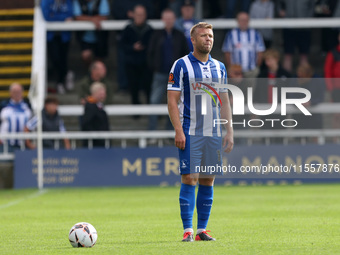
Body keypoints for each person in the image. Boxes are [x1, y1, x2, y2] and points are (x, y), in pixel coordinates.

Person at [167, 22, 234, 242]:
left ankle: (201, 231)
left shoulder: (220, 67)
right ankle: (187, 230)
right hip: (190, 130)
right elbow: (172, 101)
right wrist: (178, 130)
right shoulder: (181, 65)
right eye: (204, 35)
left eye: (211, 35)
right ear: (193, 40)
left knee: (208, 179)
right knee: (190, 177)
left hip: (213, 133)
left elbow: (224, 100)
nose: (208, 39)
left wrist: (229, 130)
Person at [148, 8, 189, 130]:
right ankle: (152, 131)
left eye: (171, 18)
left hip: (175, 76)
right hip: (159, 73)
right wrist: (154, 67)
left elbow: (185, 54)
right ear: (163, 20)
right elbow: (150, 53)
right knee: (154, 101)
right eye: (166, 18)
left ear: (175, 19)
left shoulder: (180, 35)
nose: (169, 21)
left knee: (174, 104)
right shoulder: (156, 35)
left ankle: (171, 132)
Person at [121, 5, 153, 105]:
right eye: (138, 14)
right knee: (133, 88)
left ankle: (150, 108)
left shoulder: (150, 29)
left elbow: (153, 46)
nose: (140, 17)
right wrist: (132, 47)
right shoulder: (128, 29)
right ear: (133, 15)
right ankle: (135, 110)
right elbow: (122, 45)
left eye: (142, 15)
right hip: (131, 63)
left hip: (146, 63)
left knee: (148, 87)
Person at [40, 0, 74, 94]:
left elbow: (70, 15)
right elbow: (47, 16)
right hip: (51, 36)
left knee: (63, 58)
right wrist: (63, 19)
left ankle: (60, 82)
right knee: (55, 58)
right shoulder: (46, 1)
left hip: (64, 35)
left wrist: (54, 16)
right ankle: (66, 73)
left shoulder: (68, 1)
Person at [222, 12, 265, 79]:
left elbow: (260, 52)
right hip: (236, 71)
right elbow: (227, 52)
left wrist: (257, 67)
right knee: (236, 89)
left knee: (250, 89)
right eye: (242, 20)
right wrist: (231, 68)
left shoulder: (256, 34)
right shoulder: (231, 34)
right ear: (238, 21)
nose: (244, 22)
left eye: (246, 20)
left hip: (251, 71)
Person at [277, 0, 315, 72]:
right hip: (288, 26)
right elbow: (279, 3)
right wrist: (280, 11)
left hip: (304, 28)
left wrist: (308, 20)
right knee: (288, 55)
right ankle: (286, 80)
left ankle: (304, 81)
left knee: (304, 55)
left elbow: (312, 7)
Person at [292, 63, 325, 142]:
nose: (299, 78)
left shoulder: (318, 81)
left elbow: (320, 97)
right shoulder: (294, 80)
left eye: (302, 76)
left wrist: (311, 102)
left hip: (314, 116)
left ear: (308, 75)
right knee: (300, 140)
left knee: (316, 138)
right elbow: (289, 96)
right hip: (299, 117)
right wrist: (298, 102)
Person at [73, 0, 110, 65]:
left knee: (99, 60)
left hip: (100, 36)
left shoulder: (102, 1)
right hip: (85, 37)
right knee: (86, 56)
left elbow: (104, 16)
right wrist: (93, 20)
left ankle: (98, 73)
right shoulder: (78, 1)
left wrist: (86, 18)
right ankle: (91, 73)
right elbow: (78, 17)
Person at [0, 83, 32, 151]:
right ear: (10, 93)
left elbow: (35, 119)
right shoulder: (3, 105)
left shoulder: (28, 105)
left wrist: (28, 127)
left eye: (19, 92)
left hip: (23, 144)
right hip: (5, 144)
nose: (17, 94)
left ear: (22, 93)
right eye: (14, 92)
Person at [81, 82, 109, 147]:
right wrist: (96, 136)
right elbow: (86, 123)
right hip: (95, 144)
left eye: (104, 93)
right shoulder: (90, 106)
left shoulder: (99, 106)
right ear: (94, 93)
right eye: (101, 93)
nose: (103, 95)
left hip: (102, 142)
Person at [324, 31, 340, 136]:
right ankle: (336, 139)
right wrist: (331, 89)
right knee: (337, 114)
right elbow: (328, 72)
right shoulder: (333, 53)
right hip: (337, 89)